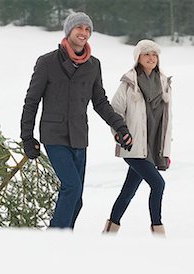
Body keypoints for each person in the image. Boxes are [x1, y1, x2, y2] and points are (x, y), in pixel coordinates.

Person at [20, 12, 133, 229]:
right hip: (54, 136)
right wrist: (27, 137)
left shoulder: (93, 65)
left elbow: (100, 102)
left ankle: (65, 240)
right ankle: (56, 239)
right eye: (79, 28)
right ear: (69, 31)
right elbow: (31, 101)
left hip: (79, 137)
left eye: (87, 29)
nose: (84, 33)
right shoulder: (47, 62)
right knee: (71, 187)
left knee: (77, 198)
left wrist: (119, 126)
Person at [103, 40, 173, 236]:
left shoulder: (164, 83)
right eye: (146, 54)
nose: (151, 58)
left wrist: (165, 151)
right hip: (133, 146)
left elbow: (167, 121)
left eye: (154, 55)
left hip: (152, 147)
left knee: (128, 191)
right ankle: (158, 232)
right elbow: (115, 111)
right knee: (158, 184)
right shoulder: (129, 82)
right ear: (138, 58)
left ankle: (109, 230)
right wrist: (120, 133)